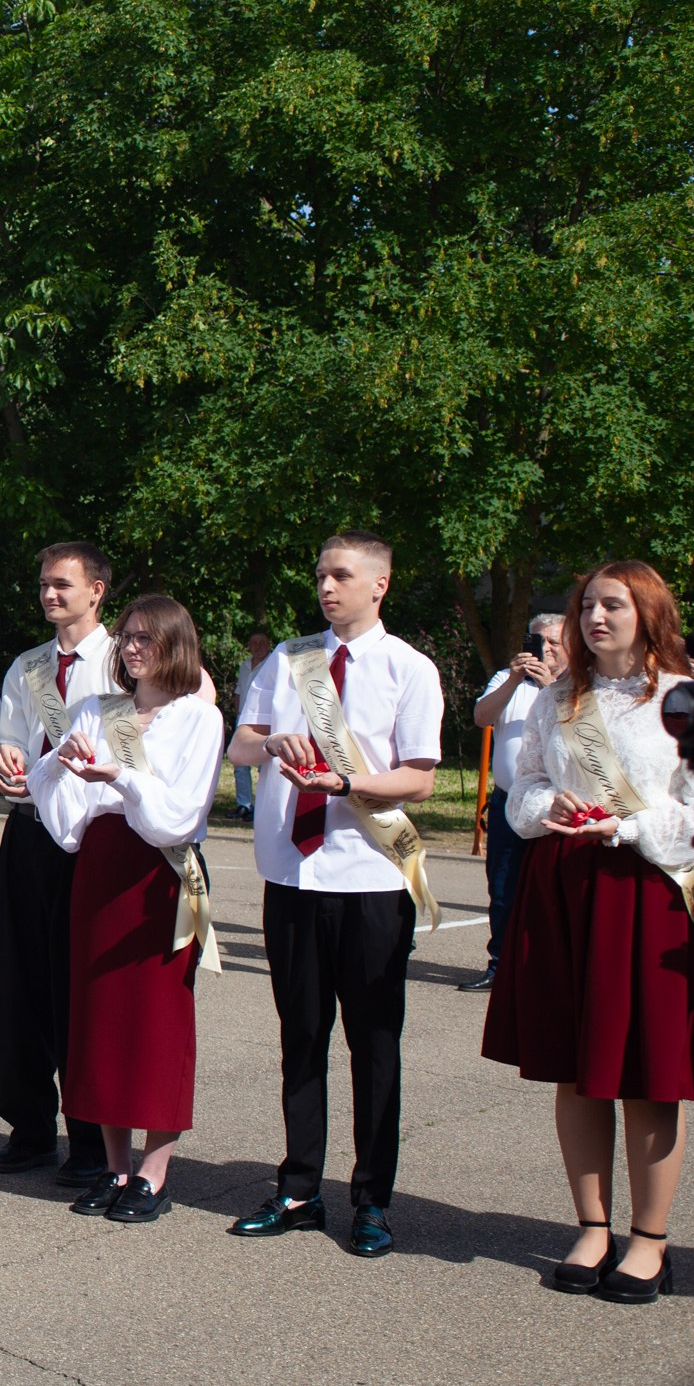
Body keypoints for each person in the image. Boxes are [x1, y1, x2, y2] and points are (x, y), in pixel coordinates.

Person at [481, 562, 694, 1302]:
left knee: (648, 1075)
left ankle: (650, 1239)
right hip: (564, 888)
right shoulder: (558, 697)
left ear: (648, 611)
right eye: (586, 604)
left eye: (612, 604)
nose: (594, 616)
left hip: (648, 894)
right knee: (574, 1066)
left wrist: (623, 824)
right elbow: (519, 786)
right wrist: (545, 811)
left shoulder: (691, 700)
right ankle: (591, 1225)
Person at [226, 531, 443, 1259]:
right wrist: (274, 742)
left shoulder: (409, 668)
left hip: (372, 876)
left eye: (341, 574)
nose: (326, 585)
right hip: (295, 873)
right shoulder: (290, 659)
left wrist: (347, 783)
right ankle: (298, 1187)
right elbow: (241, 744)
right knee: (301, 1037)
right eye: (321, 573)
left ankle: (373, 1198)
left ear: (379, 584)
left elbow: (419, 777)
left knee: (375, 1042)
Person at [31, 594, 224, 1224]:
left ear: (175, 646)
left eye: (147, 638)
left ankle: (154, 1171)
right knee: (100, 1018)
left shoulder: (197, 718)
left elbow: (180, 816)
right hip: (100, 869)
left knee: (156, 1021)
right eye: (129, 638)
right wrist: (53, 769)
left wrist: (121, 777)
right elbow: (65, 820)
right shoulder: (97, 709)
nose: (133, 647)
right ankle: (114, 1165)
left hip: (157, 880)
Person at [0, 542, 120, 1185]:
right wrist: (7, 768)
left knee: (79, 991)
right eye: (43, 583)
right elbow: (10, 743)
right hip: (30, 834)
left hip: (93, 840)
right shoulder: (28, 666)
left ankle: (91, 1141)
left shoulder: (125, 659)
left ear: (96, 590)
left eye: (62, 584)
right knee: (20, 984)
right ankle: (30, 1127)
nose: (49, 594)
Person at [463, 614, 566, 993]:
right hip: (509, 802)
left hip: (558, 806)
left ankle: (548, 969)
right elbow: (482, 717)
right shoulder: (510, 681)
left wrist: (550, 685)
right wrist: (511, 679)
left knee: (552, 892)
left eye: (555, 642)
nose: (546, 648)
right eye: (539, 641)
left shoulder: (573, 684)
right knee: (503, 888)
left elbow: (580, 727)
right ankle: (501, 965)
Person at [232, 632, 276, 820]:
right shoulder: (244, 665)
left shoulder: (273, 664)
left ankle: (261, 807)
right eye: (254, 643)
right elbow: (239, 690)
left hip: (263, 720)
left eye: (261, 643)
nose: (257, 646)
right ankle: (243, 804)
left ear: (268, 645)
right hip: (242, 718)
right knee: (240, 764)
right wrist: (236, 712)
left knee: (263, 766)